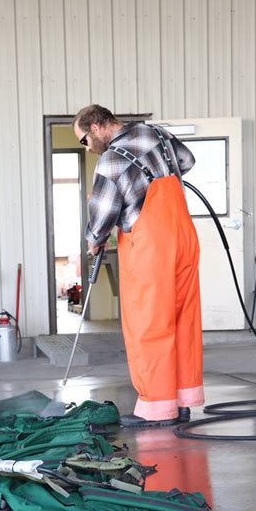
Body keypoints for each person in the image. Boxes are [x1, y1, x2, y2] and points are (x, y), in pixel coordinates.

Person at [73, 104, 204, 427]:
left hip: (150, 246)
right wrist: (154, 177)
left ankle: (158, 409)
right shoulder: (155, 132)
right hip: (183, 235)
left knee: (149, 322)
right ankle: (184, 400)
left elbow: (102, 215)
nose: (87, 148)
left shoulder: (112, 159)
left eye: (84, 141)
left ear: (96, 127)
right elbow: (187, 161)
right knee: (183, 318)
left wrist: (94, 240)